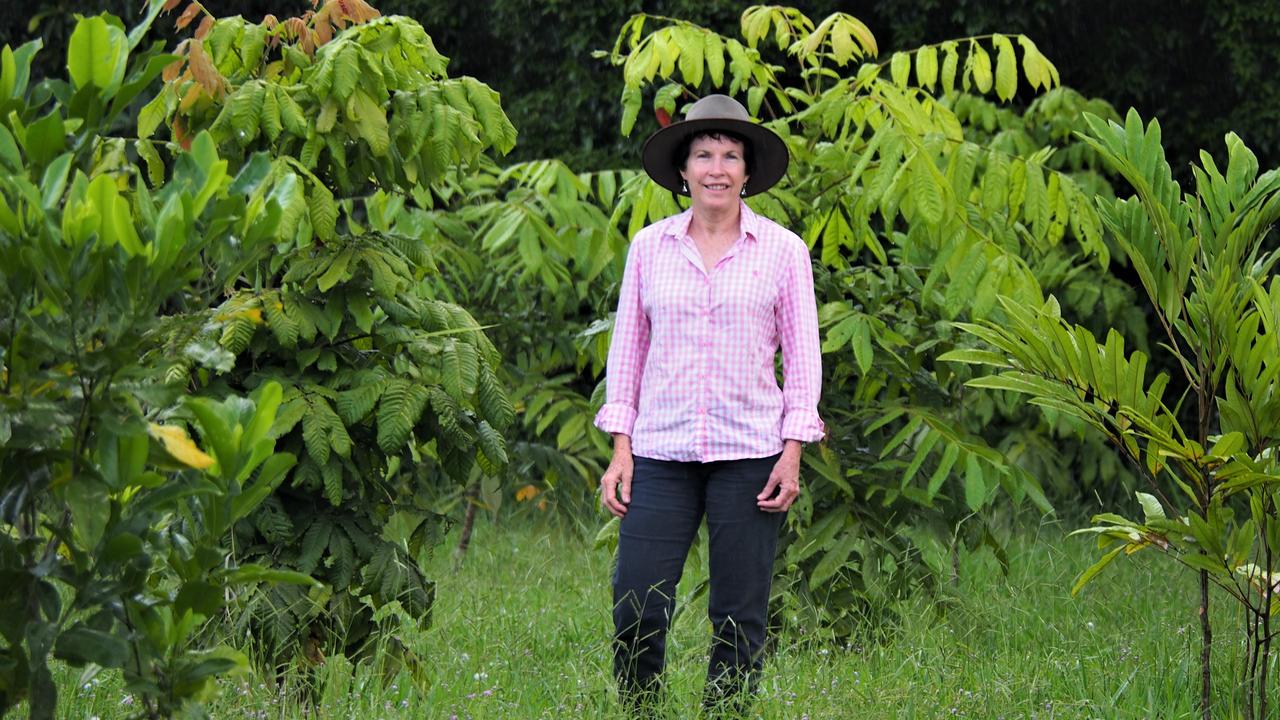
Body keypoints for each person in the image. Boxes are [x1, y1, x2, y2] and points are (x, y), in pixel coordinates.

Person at [594, 94, 824, 714]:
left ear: (748, 171)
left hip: (751, 455)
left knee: (739, 615)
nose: (716, 168)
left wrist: (792, 453)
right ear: (683, 169)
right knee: (637, 602)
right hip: (661, 453)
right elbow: (628, 355)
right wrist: (621, 451)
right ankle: (641, 710)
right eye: (703, 154)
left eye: (730, 155)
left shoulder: (784, 251)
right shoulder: (649, 247)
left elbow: (803, 362)